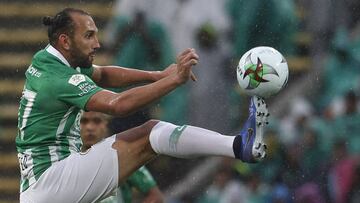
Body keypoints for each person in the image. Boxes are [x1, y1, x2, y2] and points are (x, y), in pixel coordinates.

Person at [16, 8, 269, 203]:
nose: (98, 43)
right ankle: (239, 146)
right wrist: (175, 81)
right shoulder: (58, 78)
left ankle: (239, 145)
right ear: (65, 41)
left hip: (44, 186)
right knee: (150, 133)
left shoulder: (50, 60)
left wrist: (158, 75)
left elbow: (103, 74)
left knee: (152, 133)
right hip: (52, 182)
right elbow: (118, 104)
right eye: (89, 35)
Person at [80, 111, 163, 203]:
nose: (90, 127)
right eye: (83, 121)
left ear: (105, 124)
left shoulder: (121, 155)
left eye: (97, 121)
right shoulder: (65, 160)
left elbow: (155, 196)